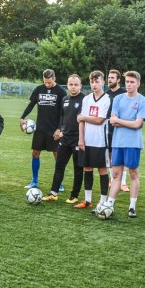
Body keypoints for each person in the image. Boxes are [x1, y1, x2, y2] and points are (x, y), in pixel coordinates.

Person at [104, 71, 145, 217]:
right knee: (116, 174)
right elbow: (112, 120)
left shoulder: (143, 101)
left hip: (133, 143)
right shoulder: (117, 98)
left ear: (138, 84)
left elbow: (138, 124)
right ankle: (109, 204)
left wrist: (120, 121)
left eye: (132, 82)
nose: (129, 84)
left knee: (133, 174)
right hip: (118, 142)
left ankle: (132, 207)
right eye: (127, 82)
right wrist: (125, 122)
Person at [20, 69, 66, 189]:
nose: (47, 85)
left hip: (54, 129)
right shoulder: (39, 89)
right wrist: (22, 117)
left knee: (57, 155)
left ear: (54, 79)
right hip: (40, 128)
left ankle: (59, 183)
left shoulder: (61, 92)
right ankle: (34, 181)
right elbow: (31, 105)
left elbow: (63, 113)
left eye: (49, 82)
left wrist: (59, 129)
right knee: (35, 153)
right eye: (45, 82)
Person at [75, 70, 112, 209]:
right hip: (86, 140)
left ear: (103, 82)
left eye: (97, 81)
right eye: (92, 82)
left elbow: (99, 120)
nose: (94, 84)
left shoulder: (107, 99)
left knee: (102, 170)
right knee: (87, 168)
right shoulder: (86, 99)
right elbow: (81, 122)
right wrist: (81, 139)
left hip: (101, 141)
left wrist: (83, 117)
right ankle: (88, 200)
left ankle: (103, 201)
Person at [45, 74, 85, 203]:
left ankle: (74, 195)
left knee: (78, 168)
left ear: (80, 86)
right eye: (71, 84)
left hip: (78, 139)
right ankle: (53, 193)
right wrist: (61, 130)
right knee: (59, 166)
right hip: (65, 138)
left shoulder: (85, 99)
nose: (73, 87)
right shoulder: (65, 99)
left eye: (76, 85)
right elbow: (62, 116)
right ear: (67, 85)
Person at [105, 69, 128, 190]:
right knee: (109, 156)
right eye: (109, 77)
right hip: (108, 129)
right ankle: (112, 179)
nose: (109, 79)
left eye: (112, 78)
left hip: (121, 129)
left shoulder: (124, 93)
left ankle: (123, 182)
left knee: (121, 156)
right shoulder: (106, 94)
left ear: (118, 80)